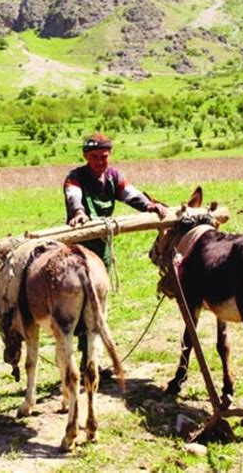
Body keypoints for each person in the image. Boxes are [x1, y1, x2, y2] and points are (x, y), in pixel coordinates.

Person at [63, 132, 167, 373]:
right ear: (86, 157)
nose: (100, 161)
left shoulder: (113, 177)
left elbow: (130, 194)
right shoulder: (75, 178)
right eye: (95, 157)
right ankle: (83, 360)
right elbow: (74, 198)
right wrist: (79, 213)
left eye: (104, 156)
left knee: (98, 307)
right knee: (77, 307)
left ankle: (92, 362)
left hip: (103, 251)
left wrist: (149, 206)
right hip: (79, 251)